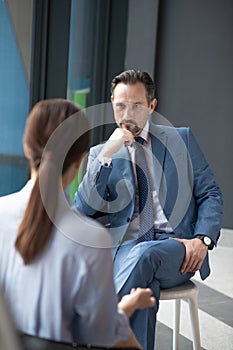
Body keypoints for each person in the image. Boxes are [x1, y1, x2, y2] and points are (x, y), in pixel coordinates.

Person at [75, 70, 223, 349]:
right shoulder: (100, 153)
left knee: (146, 255)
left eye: (136, 105)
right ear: (111, 104)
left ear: (152, 106)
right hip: (126, 251)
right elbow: (83, 211)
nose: (127, 113)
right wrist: (107, 155)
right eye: (120, 105)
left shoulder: (182, 139)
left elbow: (210, 194)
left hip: (179, 248)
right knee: (144, 283)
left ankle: (97, 331)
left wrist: (202, 239)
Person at [0, 98, 156, 349]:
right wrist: (126, 308)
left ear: (26, 148)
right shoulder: (90, 238)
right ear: (81, 160)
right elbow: (101, 335)